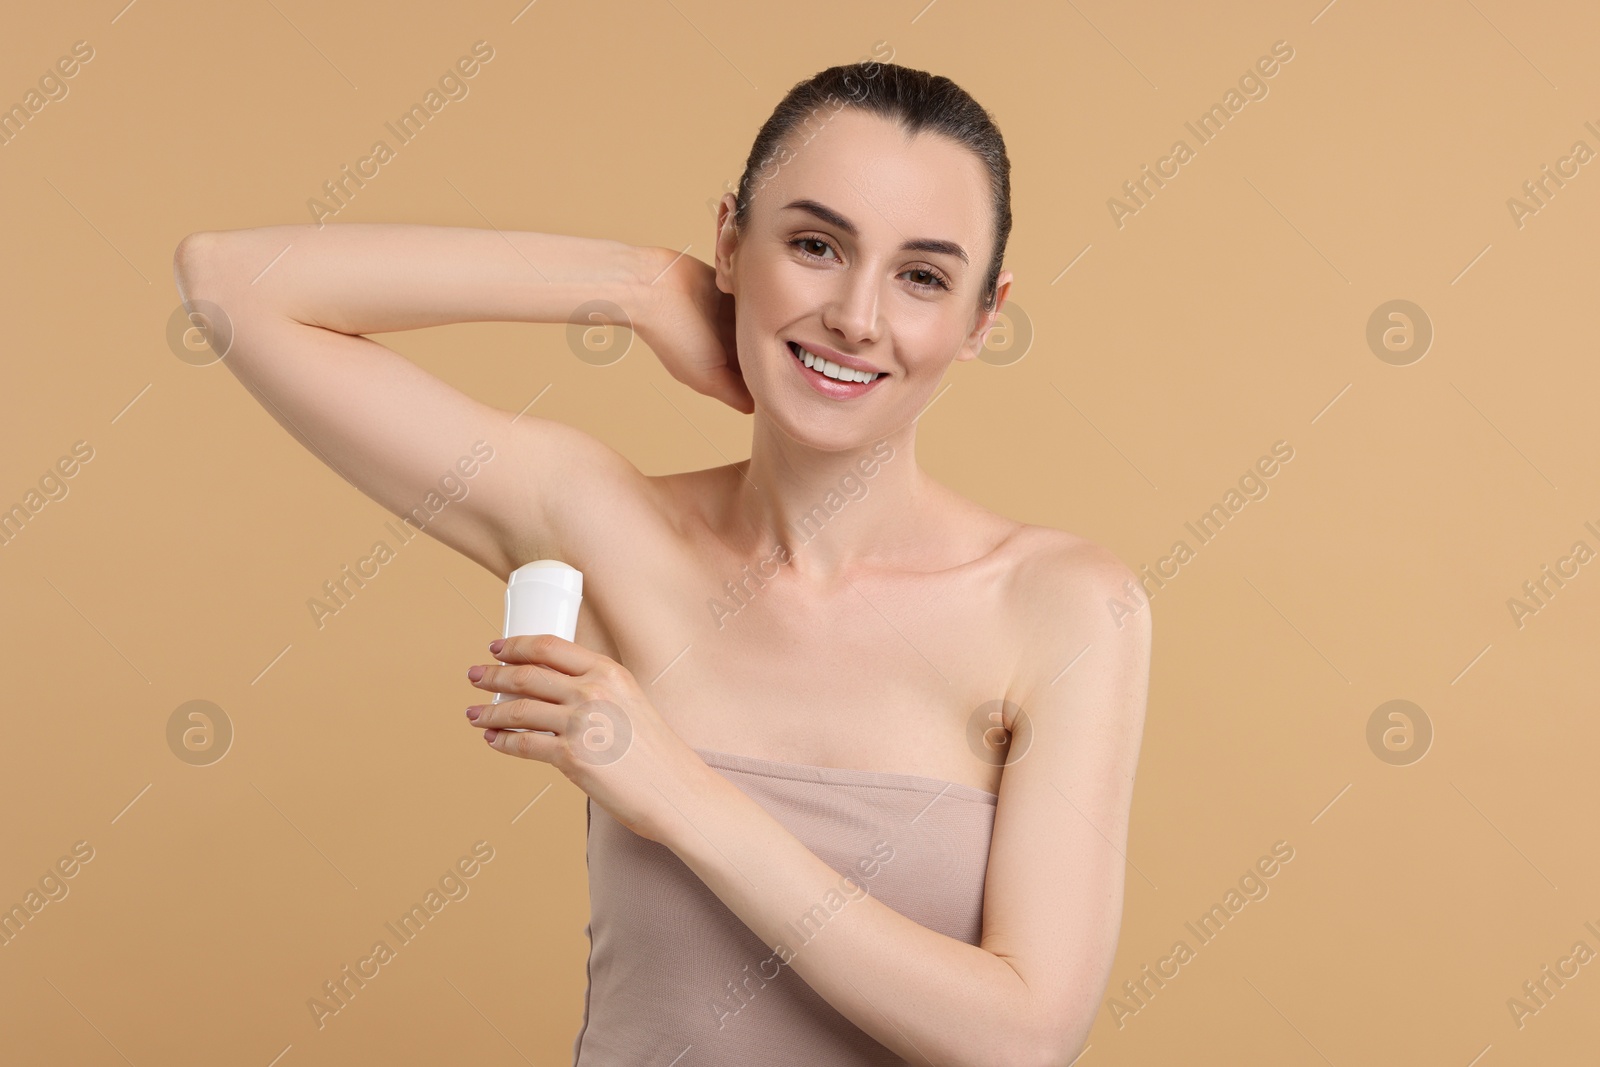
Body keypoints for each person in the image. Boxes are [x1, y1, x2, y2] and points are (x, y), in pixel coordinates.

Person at [173, 60, 1150, 1067]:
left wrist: (677, 791)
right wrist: (633, 282)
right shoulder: (603, 525)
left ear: (982, 318)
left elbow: (1023, 1036)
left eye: (921, 276)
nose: (856, 316)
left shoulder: (1059, 606)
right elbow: (230, 284)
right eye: (814, 245)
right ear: (732, 241)